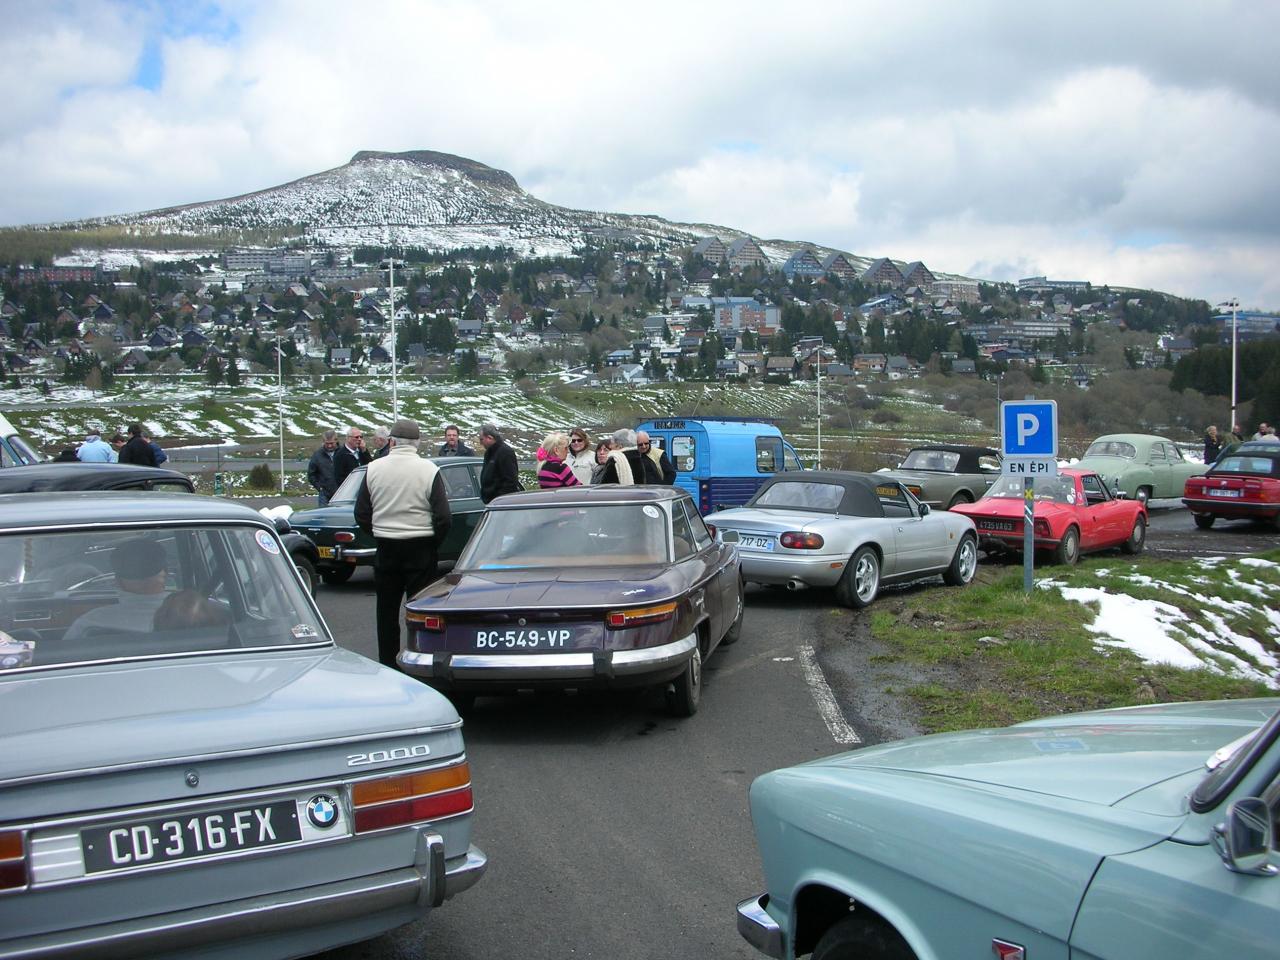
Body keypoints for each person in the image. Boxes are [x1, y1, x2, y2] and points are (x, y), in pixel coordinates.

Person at [354, 419, 452, 669]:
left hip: (387, 545)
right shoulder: (428, 470)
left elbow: (362, 512)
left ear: (391, 441)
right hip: (420, 546)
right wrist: (433, 542)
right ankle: (421, 658)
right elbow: (443, 516)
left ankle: (388, 663)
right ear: (417, 444)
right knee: (421, 610)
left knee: (386, 612)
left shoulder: (374, 469)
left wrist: (378, 532)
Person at [64, 538, 169, 641]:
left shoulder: (91, 623)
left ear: (117, 581)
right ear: (166, 574)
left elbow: (66, 653)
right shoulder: (181, 616)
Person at [479, 423, 522, 502]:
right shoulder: (489, 453)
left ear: (490, 438)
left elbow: (511, 480)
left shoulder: (505, 452)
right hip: (490, 500)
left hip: (501, 502)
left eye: (481, 439)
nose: (480, 443)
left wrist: (499, 499)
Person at [307, 429, 340, 505]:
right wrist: (320, 488)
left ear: (336, 441)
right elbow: (311, 474)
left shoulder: (342, 453)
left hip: (342, 492)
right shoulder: (317, 455)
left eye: (331, 443)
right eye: (327, 443)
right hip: (325, 494)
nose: (329, 446)